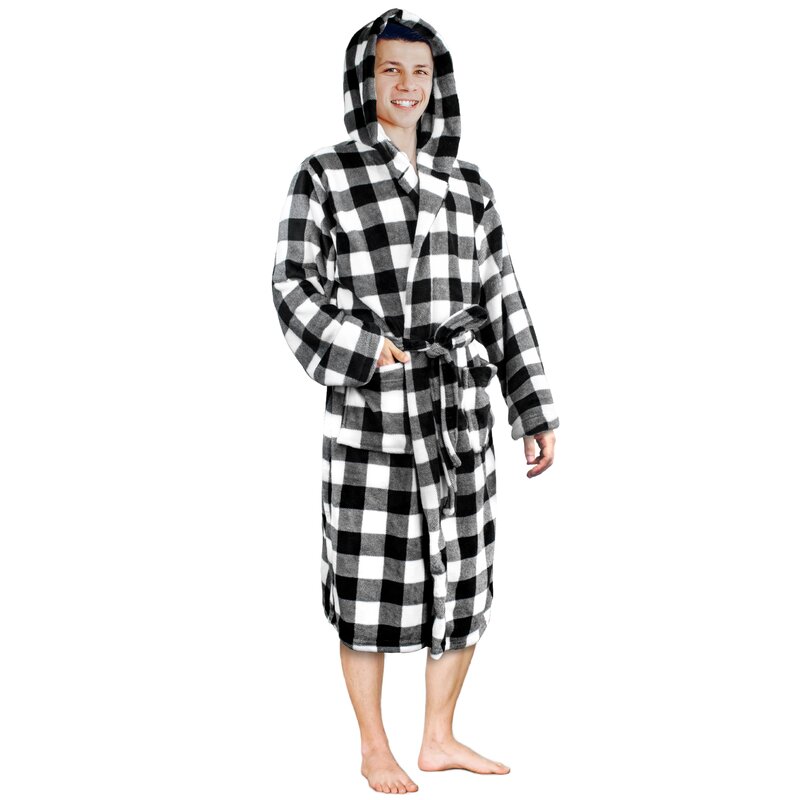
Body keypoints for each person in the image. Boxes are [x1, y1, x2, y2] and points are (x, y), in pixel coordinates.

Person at [272, 9, 560, 793]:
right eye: (391, 70)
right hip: (374, 410)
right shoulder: (325, 174)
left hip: (457, 409)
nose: (407, 85)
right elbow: (292, 284)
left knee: (464, 574)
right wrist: (365, 348)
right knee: (366, 577)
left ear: (440, 84)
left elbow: (502, 298)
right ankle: (374, 744)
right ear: (363, 80)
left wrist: (532, 407)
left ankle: (439, 736)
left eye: (421, 72)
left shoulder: (468, 186)